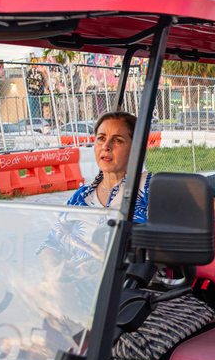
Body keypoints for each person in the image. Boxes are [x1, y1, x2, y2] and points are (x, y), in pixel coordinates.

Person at [37, 111, 151, 271]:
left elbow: (163, 250)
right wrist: (54, 275)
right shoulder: (81, 196)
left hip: (129, 287)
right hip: (81, 287)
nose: (106, 146)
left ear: (136, 148)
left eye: (118, 140)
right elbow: (51, 244)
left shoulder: (150, 189)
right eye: (101, 139)